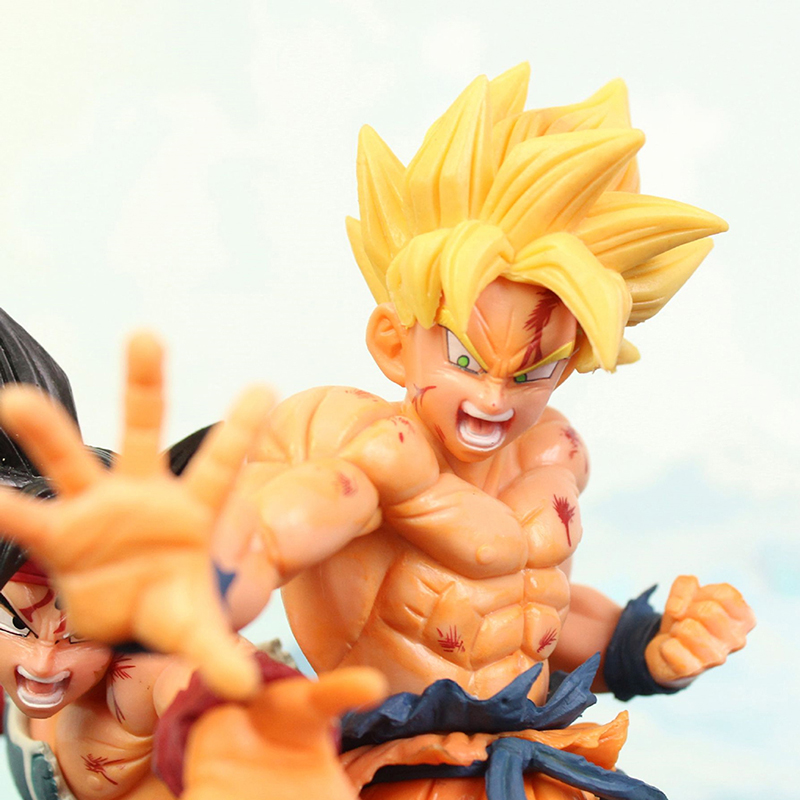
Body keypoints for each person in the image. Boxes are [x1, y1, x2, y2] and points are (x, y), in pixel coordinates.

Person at [0, 65, 755, 799]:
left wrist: (645, 645)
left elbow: (539, 613)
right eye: (466, 358)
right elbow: (270, 535)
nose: (493, 398)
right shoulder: (359, 444)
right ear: (394, 341)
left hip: (536, 755)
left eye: (536, 369)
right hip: (394, 768)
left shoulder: (555, 454)